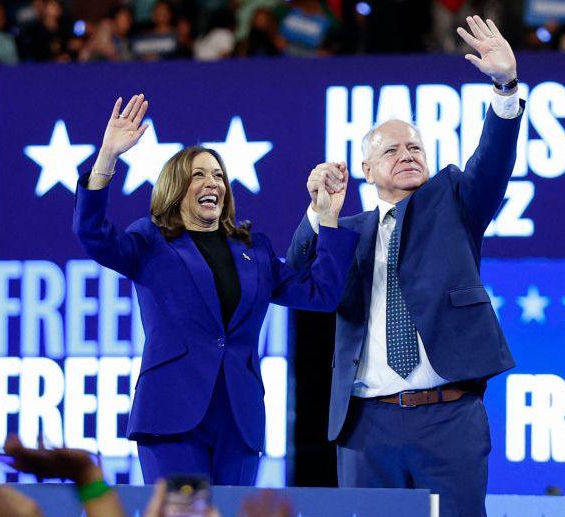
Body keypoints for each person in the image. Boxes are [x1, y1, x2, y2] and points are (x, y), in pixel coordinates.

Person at [287, 16, 522, 517]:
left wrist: (506, 89)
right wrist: (320, 214)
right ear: (366, 169)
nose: (409, 155)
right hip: (367, 427)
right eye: (392, 151)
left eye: (415, 146)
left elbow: (493, 160)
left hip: (449, 420)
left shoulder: (455, 202)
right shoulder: (348, 233)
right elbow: (297, 277)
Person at [74, 94, 358, 486]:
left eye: (219, 175)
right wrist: (107, 157)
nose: (213, 184)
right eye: (199, 176)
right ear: (176, 187)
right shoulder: (150, 241)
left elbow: (321, 295)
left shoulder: (253, 249)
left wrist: (327, 217)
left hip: (239, 419)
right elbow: (91, 233)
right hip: (171, 417)